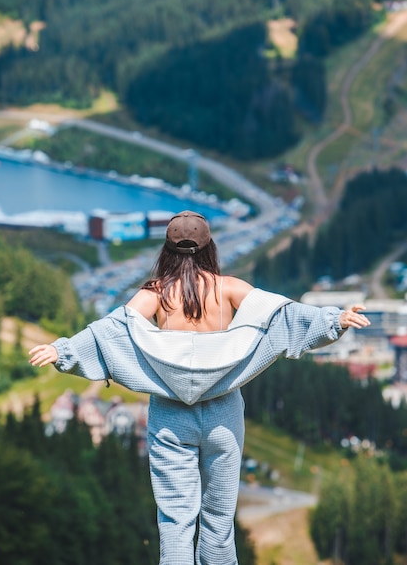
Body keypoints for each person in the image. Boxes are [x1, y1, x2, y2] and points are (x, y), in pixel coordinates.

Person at [29, 210, 370, 565]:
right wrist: (334, 320)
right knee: (219, 522)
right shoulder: (230, 288)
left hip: (170, 418)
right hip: (223, 417)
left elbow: (113, 329)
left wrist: (63, 350)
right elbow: (282, 315)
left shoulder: (156, 293)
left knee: (176, 523)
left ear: (166, 250)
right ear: (210, 247)